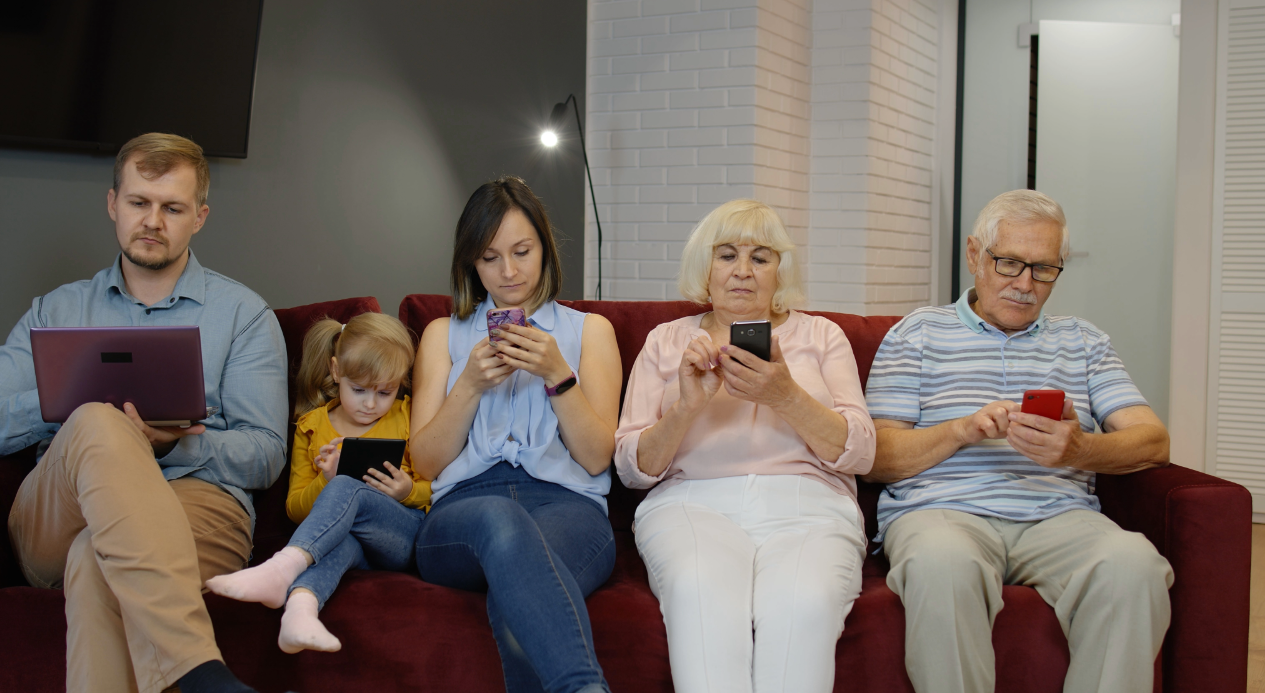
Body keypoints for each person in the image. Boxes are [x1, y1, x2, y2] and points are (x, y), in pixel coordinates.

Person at [0, 133, 288, 693]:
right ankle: (201, 672)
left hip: (195, 505)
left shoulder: (244, 315)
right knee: (96, 419)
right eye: (138, 203)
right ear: (113, 205)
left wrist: (175, 443)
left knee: (97, 559)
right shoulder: (57, 309)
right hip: (59, 512)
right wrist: (68, 404)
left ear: (199, 217)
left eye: (172, 208)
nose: (153, 221)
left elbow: (266, 454)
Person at [863, 189, 1174, 693]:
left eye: (1043, 269)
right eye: (1008, 263)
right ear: (973, 255)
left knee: (1135, 565)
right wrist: (962, 430)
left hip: (1058, 515)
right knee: (942, 564)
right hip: (942, 511)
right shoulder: (916, 334)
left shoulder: (1085, 341)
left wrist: (1079, 450)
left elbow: (1154, 442)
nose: (1025, 284)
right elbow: (876, 458)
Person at [614, 199, 876, 693]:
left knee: (804, 602)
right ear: (705, 267)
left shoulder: (822, 335)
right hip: (691, 504)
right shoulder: (666, 342)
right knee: (700, 592)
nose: (743, 272)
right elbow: (632, 469)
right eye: (727, 254)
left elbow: (862, 452)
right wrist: (687, 406)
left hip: (810, 506)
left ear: (781, 270)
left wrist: (786, 395)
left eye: (761, 257)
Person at [408, 176, 622, 693]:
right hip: (464, 513)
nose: (508, 272)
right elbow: (425, 464)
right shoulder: (444, 334)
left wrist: (557, 376)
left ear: (545, 250)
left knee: (521, 583)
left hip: (569, 508)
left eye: (522, 252)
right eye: (489, 258)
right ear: (471, 265)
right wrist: (469, 385)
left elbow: (596, 458)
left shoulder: (589, 332)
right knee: (503, 525)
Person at [206, 312, 431, 654]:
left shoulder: (408, 414)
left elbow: (442, 487)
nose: (371, 404)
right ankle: (300, 612)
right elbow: (296, 510)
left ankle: (281, 568)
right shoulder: (312, 426)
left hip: (402, 536)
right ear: (336, 370)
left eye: (386, 392)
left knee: (344, 485)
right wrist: (324, 480)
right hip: (350, 543)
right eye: (358, 390)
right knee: (340, 534)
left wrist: (408, 491)